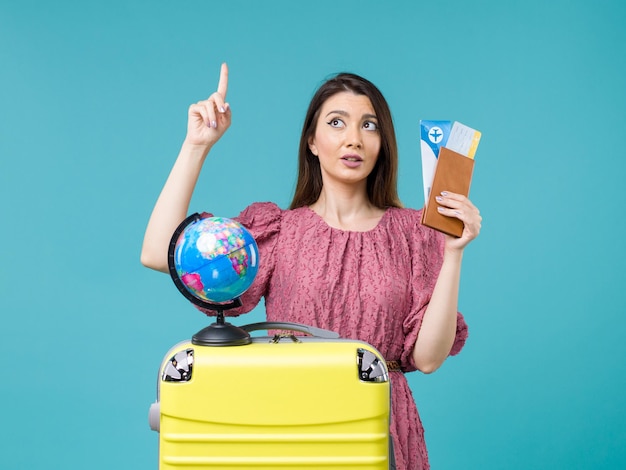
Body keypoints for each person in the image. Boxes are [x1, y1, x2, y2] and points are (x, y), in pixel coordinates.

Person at [141, 63, 482, 470]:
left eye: (369, 126)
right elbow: (160, 252)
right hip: (292, 423)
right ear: (312, 141)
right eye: (337, 122)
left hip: (378, 427)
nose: (354, 138)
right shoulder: (277, 232)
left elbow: (428, 358)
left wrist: (455, 252)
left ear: (383, 143)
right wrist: (196, 145)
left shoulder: (413, 233)